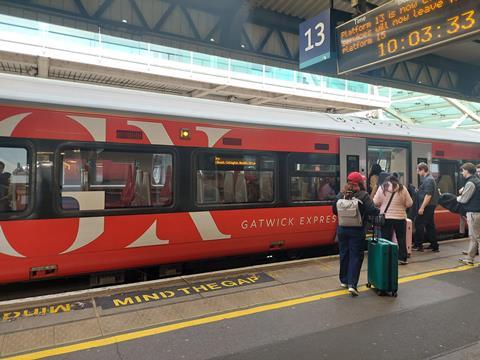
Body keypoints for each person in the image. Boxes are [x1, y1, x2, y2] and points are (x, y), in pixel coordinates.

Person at [333, 171, 379, 297]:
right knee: (356, 256)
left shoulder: (341, 194)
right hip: (357, 230)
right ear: (360, 183)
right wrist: (378, 211)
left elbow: (334, 210)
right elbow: (372, 210)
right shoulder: (363, 195)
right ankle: (352, 285)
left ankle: (344, 280)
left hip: (342, 229)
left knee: (344, 254)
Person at [373, 175, 413, 265]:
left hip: (386, 217)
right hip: (400, 217)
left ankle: (386, 258)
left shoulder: (382, 188)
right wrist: (402, 205)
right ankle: (402, 258)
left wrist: (382, 204)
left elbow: (375, 202)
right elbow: (410, 203)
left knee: (386, 239)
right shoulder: (402, 188)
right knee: (401, 238)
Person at [413, 162, 439, 252]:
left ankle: (418, 245)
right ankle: (434, 245)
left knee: (418, 223)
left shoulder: (428, 180)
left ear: (423, 170)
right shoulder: (428, 179)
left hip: (427, 206)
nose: (417, 172)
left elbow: (428, 195)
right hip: (430, 206)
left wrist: (422, 207)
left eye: (418, 170)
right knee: (429, 225)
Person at [457, 163, 480, 265]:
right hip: (476, 212)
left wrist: (455, 198)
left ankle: (470, 259)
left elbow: (464, 199)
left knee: (476, 237)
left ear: (467, 171)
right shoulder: (476, 181)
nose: (462, 173)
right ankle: (470, 259)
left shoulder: (471, 183)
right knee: (474, 237)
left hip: (474, 213)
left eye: (463, 170)